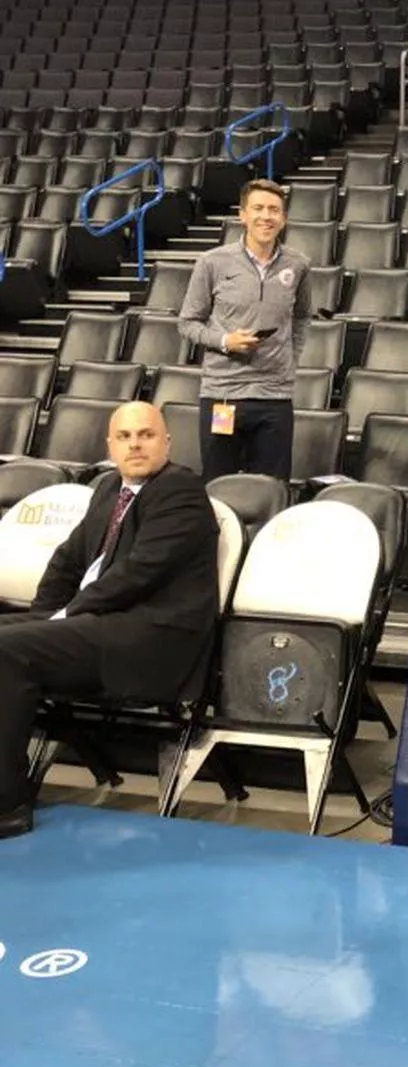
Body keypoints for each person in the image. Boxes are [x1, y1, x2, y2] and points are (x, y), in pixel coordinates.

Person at [0, 402, 221, 840]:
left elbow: (137, 574)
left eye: (146, 434)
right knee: (12, 638)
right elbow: (67, 560)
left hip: (151, 640)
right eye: (124, 437)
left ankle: (7, 805)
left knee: (8, 650)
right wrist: (44, 617)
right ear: (110, 445)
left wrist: (59, 620)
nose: (135, 444)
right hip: (103, 626)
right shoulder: (108, 489)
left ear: (167, 442)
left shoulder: (181, 492)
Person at [178, 178, 311, 482]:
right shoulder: (212, 262)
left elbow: (302, 317)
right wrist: (225, 341)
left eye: (274, 210)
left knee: (271, 489)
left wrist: (291, 357)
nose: (267, 216)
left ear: (284, 218)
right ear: (243, 215)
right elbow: (187, 323)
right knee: (218, 486)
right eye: (259, 208)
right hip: (223, 394)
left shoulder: (299, 264)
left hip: (275, 397)